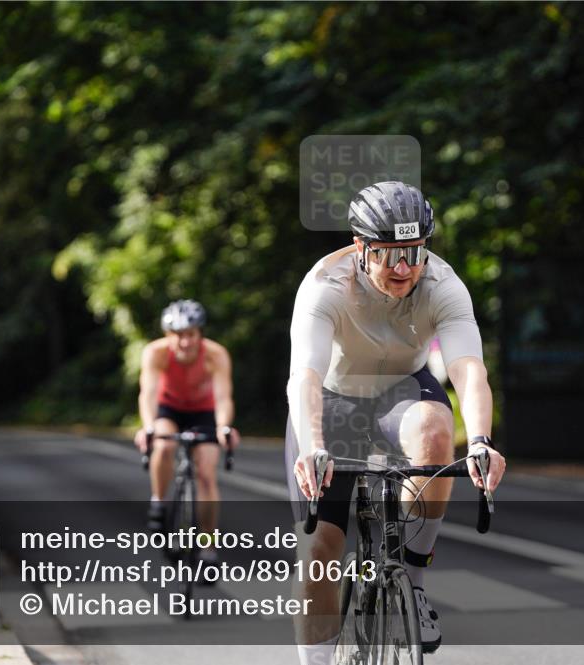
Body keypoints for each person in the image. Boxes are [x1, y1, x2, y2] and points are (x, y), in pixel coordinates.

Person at [285, 181, 506, 663]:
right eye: (389, 254)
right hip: (331, 397)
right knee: (321, 550)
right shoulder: (325, 285)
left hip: (401, 390)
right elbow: (304, 375)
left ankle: (415, 582)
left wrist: (483, 440)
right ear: (361, 248)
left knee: (436, 435)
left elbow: (468, 369)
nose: (404, 267)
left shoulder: (443, 284)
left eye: (414, 251)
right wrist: (313, 444)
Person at [134, 299, 239, 566]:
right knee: (164, 445)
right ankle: (158, 501)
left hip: (204, 412)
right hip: (169, 409)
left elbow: (224, 397)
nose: (184, 342)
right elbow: (148, 394)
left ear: (199, 333)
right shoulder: (155, 353)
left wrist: (224, 427)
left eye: (190, 335)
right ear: (168, 336)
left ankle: (207, 548)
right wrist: (148, 427)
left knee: (205, 473)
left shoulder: (216, 355)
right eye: (177, 336)